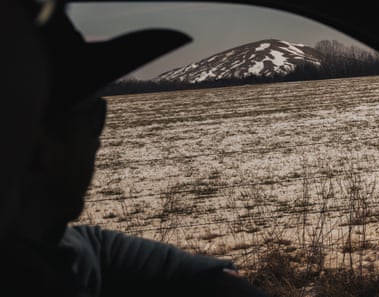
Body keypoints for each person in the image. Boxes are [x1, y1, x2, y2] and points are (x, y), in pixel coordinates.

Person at [5, 2, 269, 296]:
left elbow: (92, 247)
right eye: (94, 117)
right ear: (41, 149)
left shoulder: (40, 245)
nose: (98, 139)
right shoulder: (37, 282)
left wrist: (211, 278)